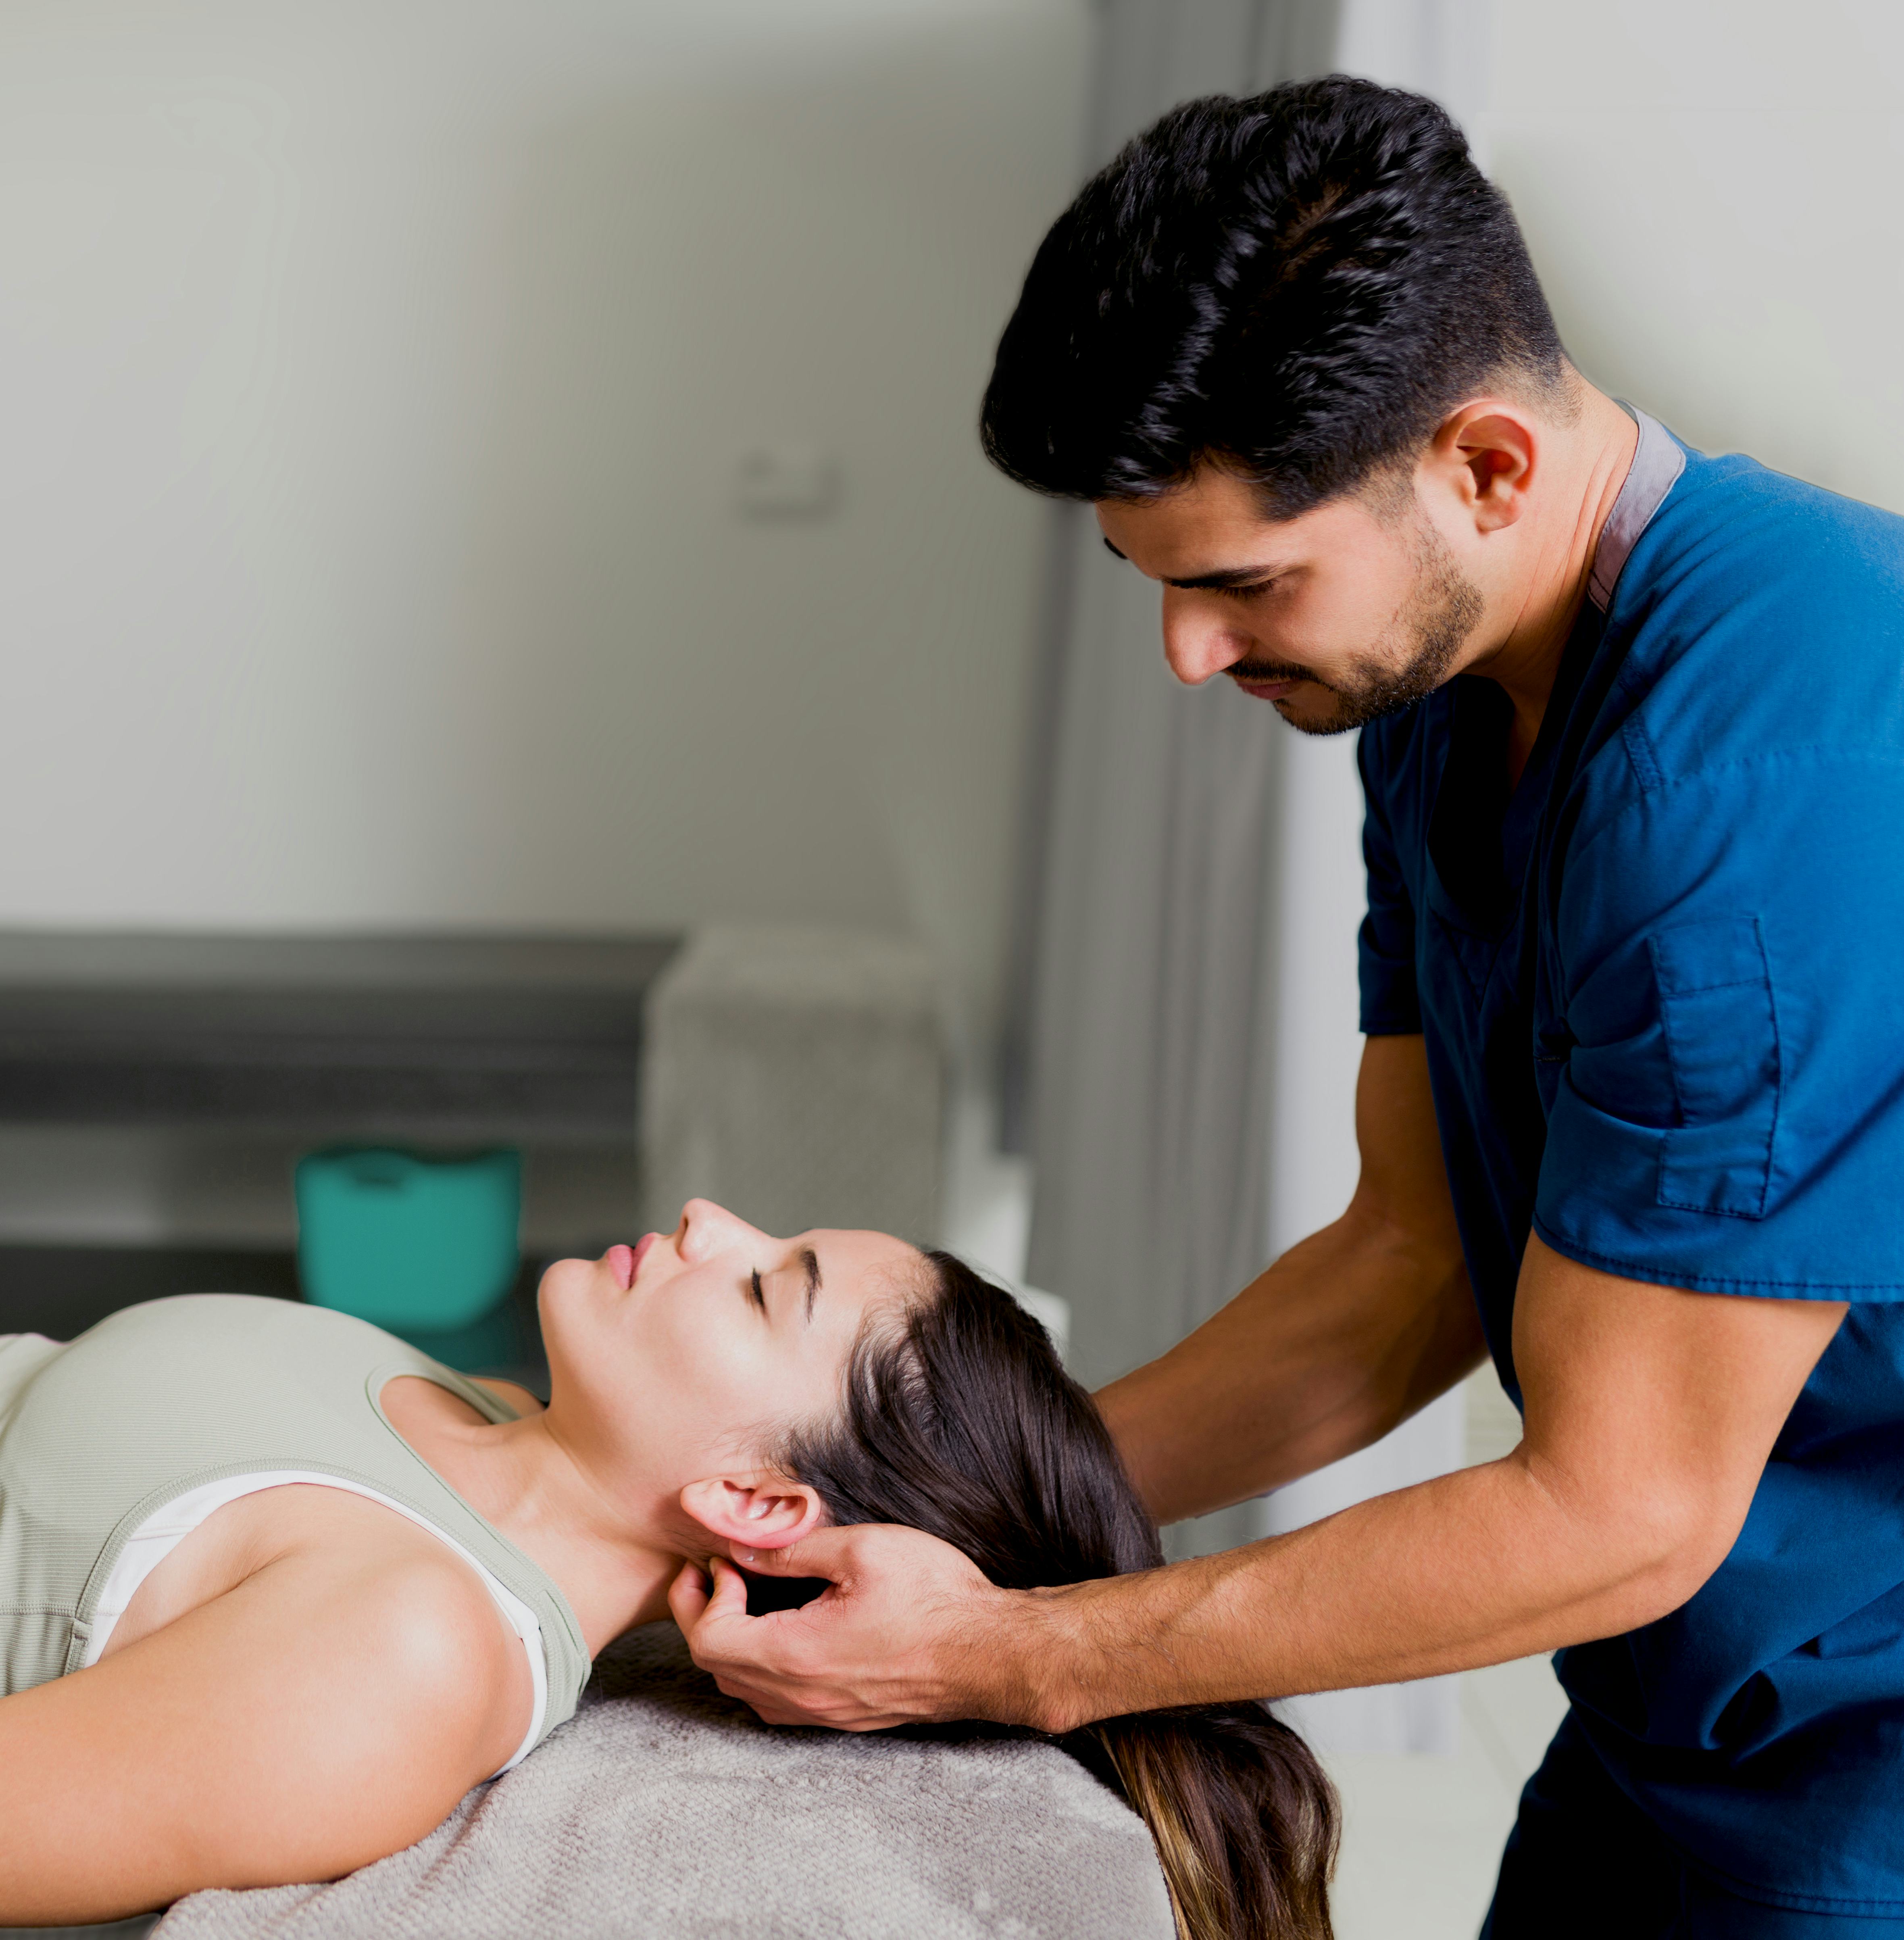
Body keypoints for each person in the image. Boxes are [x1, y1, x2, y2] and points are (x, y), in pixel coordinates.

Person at [673, 76, 1904, 1938]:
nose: (1185, 654)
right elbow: (1400, 1265)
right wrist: (951, 1499)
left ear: (1484, 465)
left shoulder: (1748, 785)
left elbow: (1620, 1505)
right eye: (1150, 584)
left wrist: (1013, 1656)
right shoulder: (1434, 698)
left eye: (1242, 583)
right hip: (1687, 1701)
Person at [0, 1199, 1334, 1940]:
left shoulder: (410, 1656)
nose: (711, 1226)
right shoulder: (476, 1413)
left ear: (752, 1503)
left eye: (763, 1290)